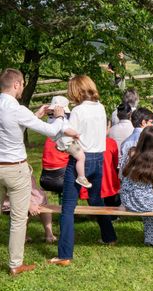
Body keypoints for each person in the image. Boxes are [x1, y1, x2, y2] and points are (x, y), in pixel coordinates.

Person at [0, 69, 79, 275]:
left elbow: (14, 129)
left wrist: (36, 115)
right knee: (19, 218)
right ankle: (15, 264)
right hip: (14, 168)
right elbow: (53, 132)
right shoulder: (17, 109)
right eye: (23, 84)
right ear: (17, 85)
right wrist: (60, 117)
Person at [49, 75, 117, 267]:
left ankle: (64, 254)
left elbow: (67, 135)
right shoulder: (101, 107)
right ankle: (109, 236)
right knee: (96, 200)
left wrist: (59, 119)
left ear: (76, 90)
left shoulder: (78, 111)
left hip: (81, 158)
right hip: (98, 158)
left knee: (68, 208)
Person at [119, 107, 153, 175]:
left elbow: (122, 165)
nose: (152, 125)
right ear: (144, 122)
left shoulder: (125, 142)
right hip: (145, 177)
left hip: (128, 179)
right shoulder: (149, 139)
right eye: (151, 122)